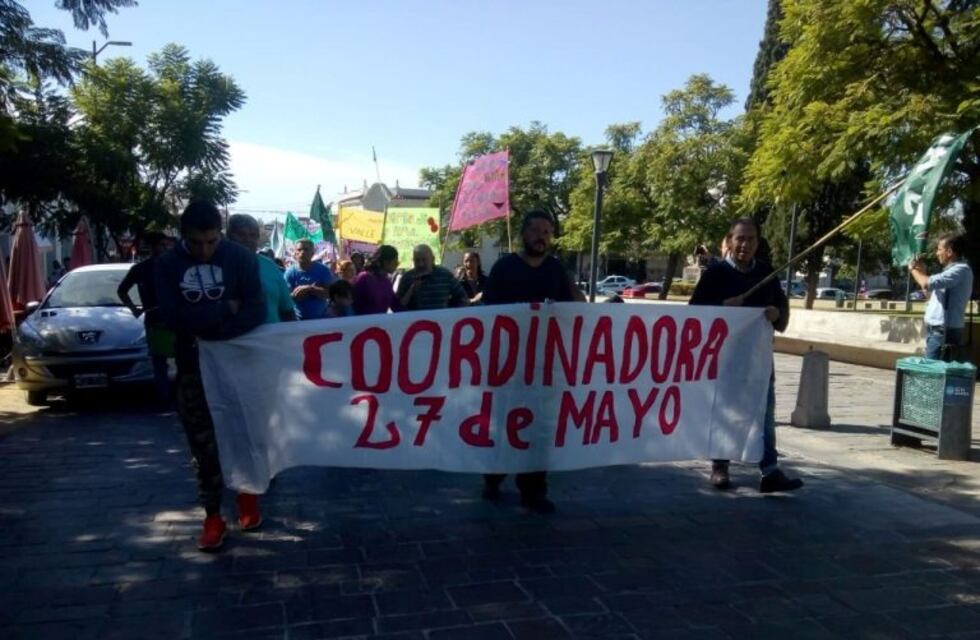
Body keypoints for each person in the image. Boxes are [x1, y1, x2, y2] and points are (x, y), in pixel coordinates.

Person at [156, 201, 267, 551]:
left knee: (244, 432)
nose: (203, 250)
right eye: (195, 242)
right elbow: (173, 317)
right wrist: (224, 308)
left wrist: (210, 328)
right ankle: (213, 516)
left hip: (238, 367)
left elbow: (255, 310)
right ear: (183, 236)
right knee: (202, 445)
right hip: (192, 369)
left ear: (220, 234)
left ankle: (248, 499)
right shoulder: (167, 265)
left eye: (210, 241)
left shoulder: (241, 259)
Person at [481, 210, 585, 514]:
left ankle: (534, 490)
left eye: (548, 232)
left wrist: (571, 285)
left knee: (539, 429)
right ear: (524, 235)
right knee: (504, 424)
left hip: (544, 366)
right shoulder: (504, 268)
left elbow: (578, 308)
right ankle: (493, 476)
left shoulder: (556, 270)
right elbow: (487, 312)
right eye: (537, 231)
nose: (542, 237)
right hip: (507, 363)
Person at [690, 217, 803, 494]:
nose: (745, 244)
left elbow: (781, 311)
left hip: (759, 362)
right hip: (723, 361)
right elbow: (694, 314)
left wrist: (777, 314)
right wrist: (722, 307)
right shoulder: (715, 274)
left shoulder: (766, 274)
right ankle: (720, 464)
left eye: (751, 239)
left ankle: (769, 470)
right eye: (740, 238)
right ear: (729, 241)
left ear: (757, 243)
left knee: (764, 413)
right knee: (722, 411)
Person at [117, 232, 175, 405]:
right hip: (155, 319)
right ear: (152, 247)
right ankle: (164, 398)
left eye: (166, 245)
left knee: (183, 358)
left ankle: (180, 396)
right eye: (161, 245)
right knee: (159, 361)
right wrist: (134, 309)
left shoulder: (174, 266)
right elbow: (122, 290)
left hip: (175, 318)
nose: (164, 248)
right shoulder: (141, 269)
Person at [909, 232, 974, 361]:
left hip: (944, 330)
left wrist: (913, 270)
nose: (937, 253)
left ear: (949, 252)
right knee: (936, 371)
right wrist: (922, 272)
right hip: (937, 329)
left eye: (939, 249)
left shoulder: (960, 270)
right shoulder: (950, 272)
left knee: (933, 371)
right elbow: (929, 292)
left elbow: (926, 283)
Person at [227, 214, 296, 323]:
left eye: (253, 235)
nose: (248, 240)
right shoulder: (218, 266)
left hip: (271, 339)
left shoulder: (270, 266)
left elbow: (287, 311)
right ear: (229, 236)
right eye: (241, 234)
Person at [396, 245, 468, 311]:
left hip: (441, 322)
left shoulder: (445, 275)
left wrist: (452, 314)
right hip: (415, 323)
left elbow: (462, 297)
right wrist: (411, 291)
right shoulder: (407, 277)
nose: (421, 264)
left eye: (424, 260)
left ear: (432, 259)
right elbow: (397, 306)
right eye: (417, 260)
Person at [284, 238, 334, 320]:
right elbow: (285, 300)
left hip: (322, 320)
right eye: (299, 250)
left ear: (312, 253)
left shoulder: (323, 270)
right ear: (295, 253)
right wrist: (295, 295)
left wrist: (311, 289)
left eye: (306, 249)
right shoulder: (289, 273)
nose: (302, 252)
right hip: (298, 322)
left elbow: (330, 294)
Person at [352, 245, 399, 315]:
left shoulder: (387, 282)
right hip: (363, 325)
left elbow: (396, 306)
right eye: (395, 261)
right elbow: (353, 306)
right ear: (386, 262)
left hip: (379, 325)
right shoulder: (363, 278)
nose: (397, 264)